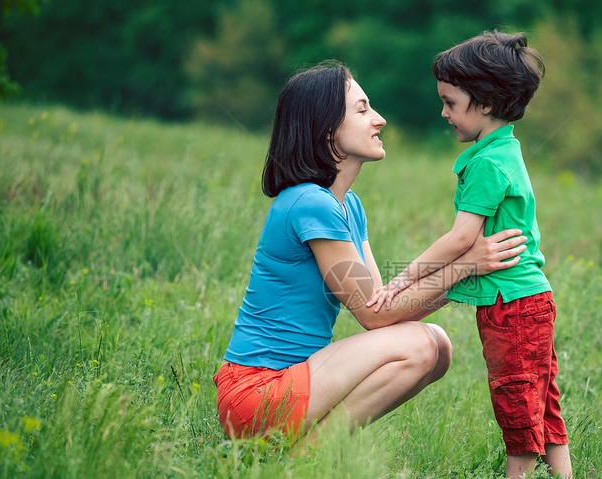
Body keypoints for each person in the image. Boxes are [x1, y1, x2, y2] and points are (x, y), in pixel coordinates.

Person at [212, 62, 528, 445]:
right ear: (326, 128)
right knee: (421, 344)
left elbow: (383, 303)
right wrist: (464, 267)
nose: (378, 120)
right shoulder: (309, 203)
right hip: (257, 392)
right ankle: (304, 464)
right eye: (362, 110)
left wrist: (466, 268)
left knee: (437, 347)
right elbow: (373, 314)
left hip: (293, 383)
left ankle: (305, 456)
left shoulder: (348, 206)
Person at [368, 32, 575, 479]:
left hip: (511, 304)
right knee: (541, 398)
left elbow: (462, 238)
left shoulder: (486, 164)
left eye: (450, 102)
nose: (443, 113)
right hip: (530, 298)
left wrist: (403, 278)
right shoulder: (504, 151)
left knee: (516, 397)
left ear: (483, 102)